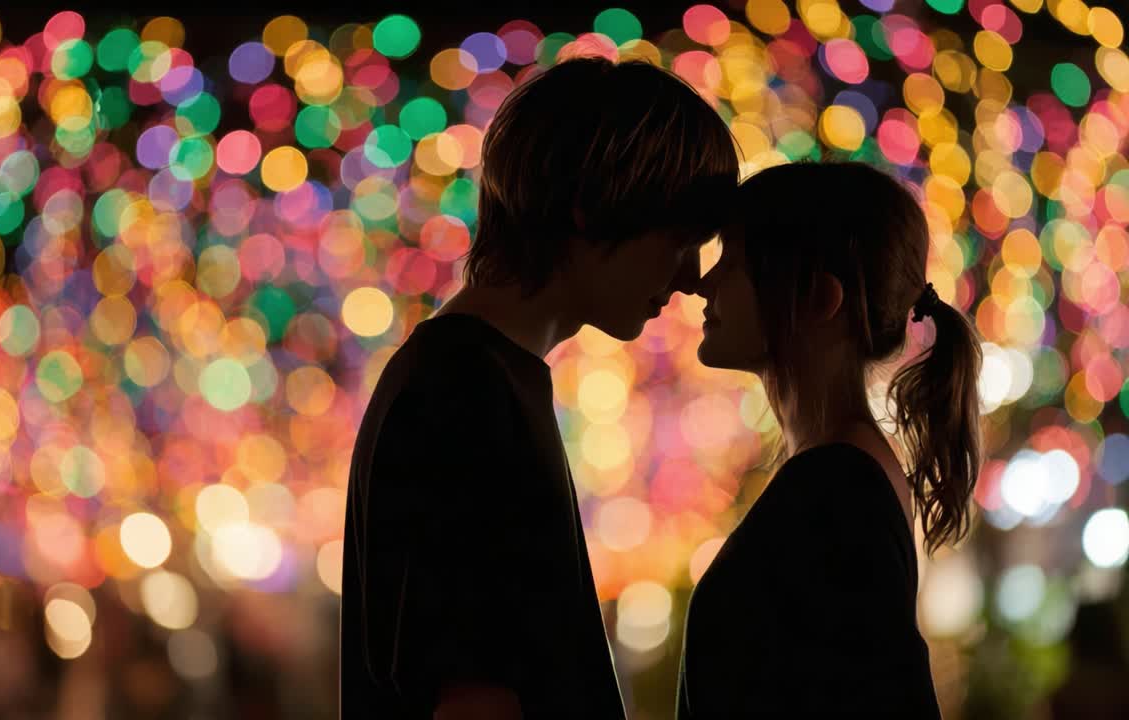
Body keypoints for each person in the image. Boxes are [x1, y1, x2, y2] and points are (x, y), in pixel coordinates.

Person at [340, 56, 738, 718]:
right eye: (678, 238)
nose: (692, 276)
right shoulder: (462, 393)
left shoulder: (476, 378)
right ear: (592, 209)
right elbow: (473, 694)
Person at [678, 161, 982, 718]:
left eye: (735, 262)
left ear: (818, 298)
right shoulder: (843, 477)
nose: (704, 282)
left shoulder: (835, 493)